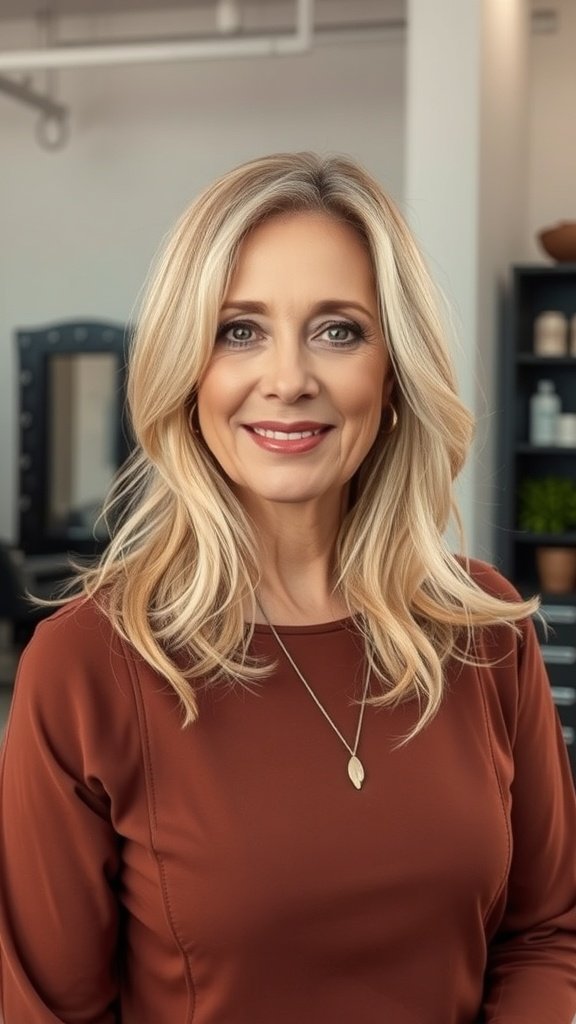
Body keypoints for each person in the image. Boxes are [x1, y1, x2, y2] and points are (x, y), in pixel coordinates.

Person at [0, 152, 575, 1024]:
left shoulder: (483, 629)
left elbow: (545, 932)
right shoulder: (86, 664)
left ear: (393, 372)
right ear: (188, 371)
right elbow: (45, 1008)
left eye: (338, 330)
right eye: (240, 330)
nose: (289, 378)